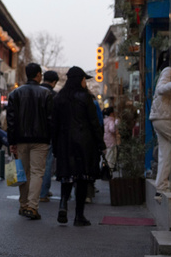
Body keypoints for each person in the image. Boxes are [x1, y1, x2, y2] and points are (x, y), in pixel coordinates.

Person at [51, 66, 105, 226]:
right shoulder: (85, 97)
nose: (85, 83)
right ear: (79, 80)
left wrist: (55, 145)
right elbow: (94, 122)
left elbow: (54, 124)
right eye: (84, 80)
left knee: (66, 176)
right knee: (82, 178)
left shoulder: (60, 98)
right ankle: (79, 216)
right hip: (84, 143)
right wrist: (100, 143)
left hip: (64, 143)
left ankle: (63, 204)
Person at [5, 63, 54, 220]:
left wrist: (11, 142)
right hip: (41, 140)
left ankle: (23, 204)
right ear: (39, 75)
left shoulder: (15, 94)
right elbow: (51, 119)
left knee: (22, 172)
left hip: (20, 139)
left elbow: (11, 120)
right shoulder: (47, 94)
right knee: (37, 172)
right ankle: (32, 206)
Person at [150, 61, 171, 193]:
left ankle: (161, 185)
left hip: (159, 117)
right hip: (163, 117)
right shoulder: (169, 71)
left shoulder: (168, 71)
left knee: (166, 152)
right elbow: (160, 88)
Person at [38, 69, 59, 203]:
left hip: (32, 134)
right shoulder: (54, 95)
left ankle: (33, 191)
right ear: (54, 82)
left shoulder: (34, 91)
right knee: (46, 164)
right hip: (48, 134)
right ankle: (43, 192)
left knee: (34, 164)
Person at [103, 106, 119, 173]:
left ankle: (106, 171)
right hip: (111, 142)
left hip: (106, 142)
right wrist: (117, 122)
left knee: (107, 157)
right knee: (111, 158)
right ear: (112, 113)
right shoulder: (111, 120)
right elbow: (112, 129)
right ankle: (109, 172)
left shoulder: (104, 120)